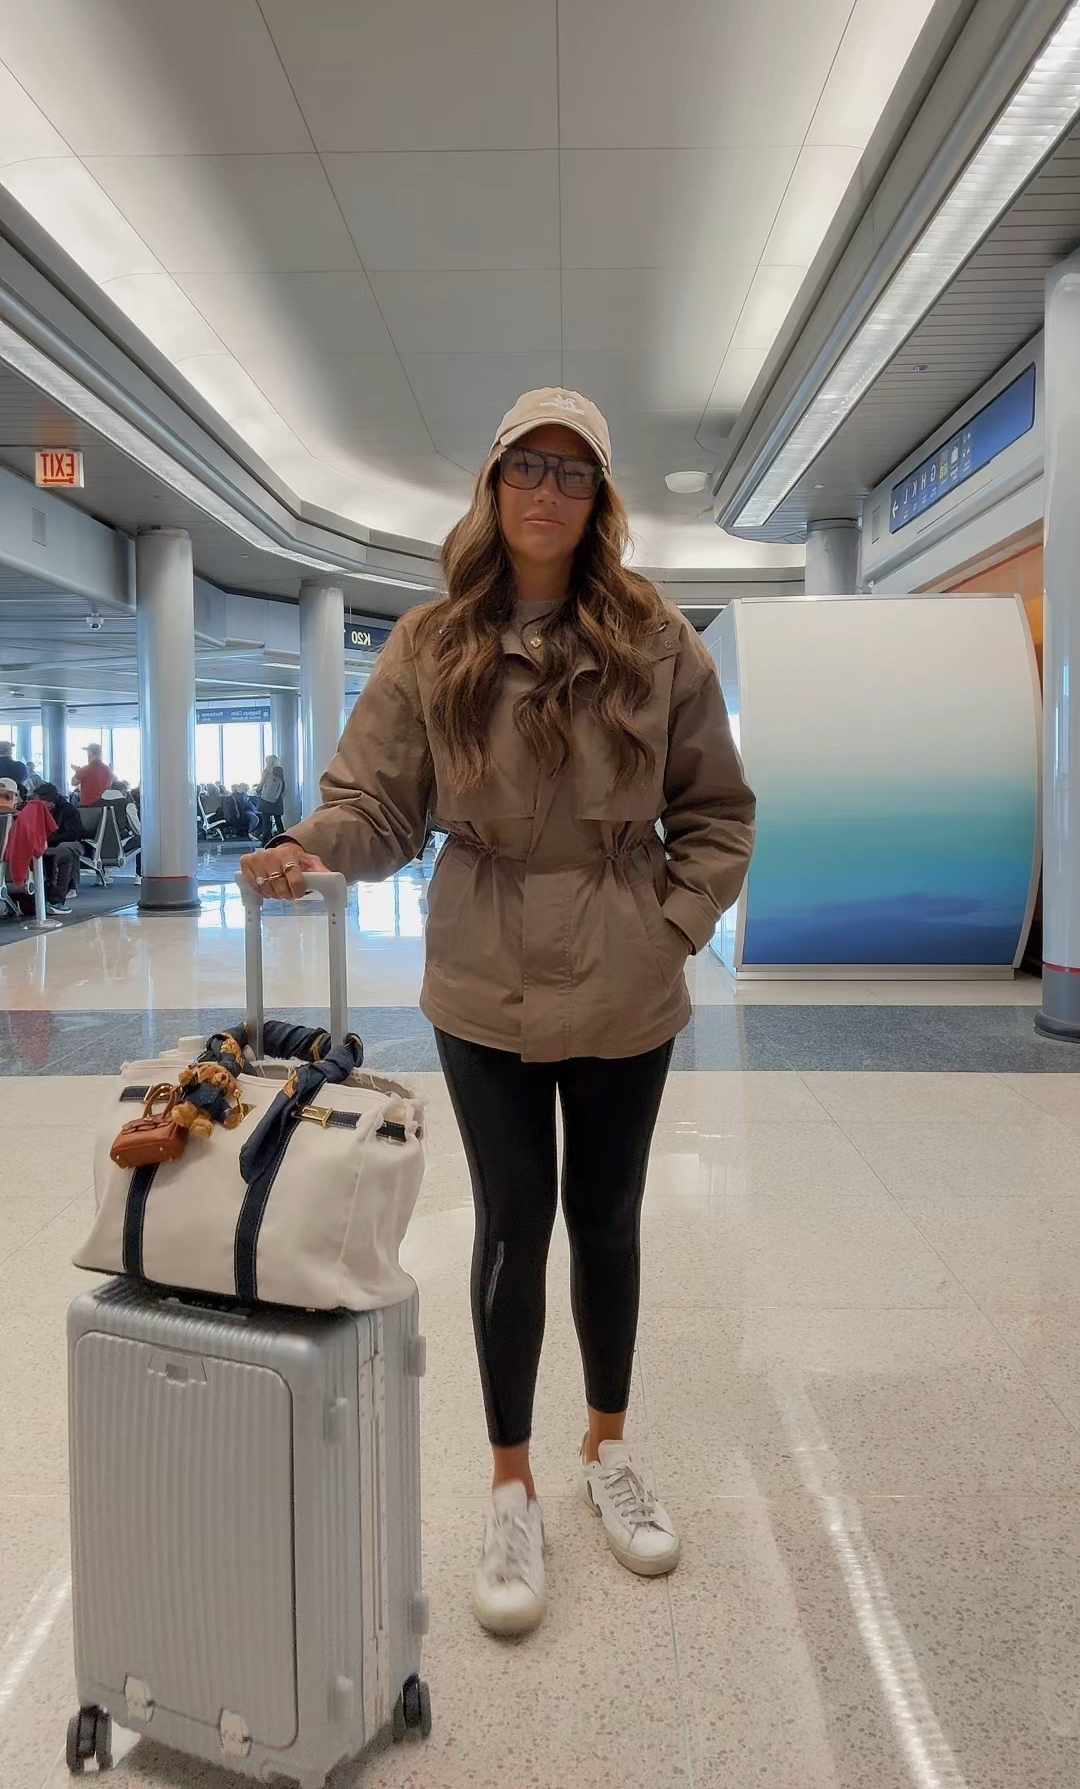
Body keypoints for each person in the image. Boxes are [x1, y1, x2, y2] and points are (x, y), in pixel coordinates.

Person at [241, 388, 756, 1638]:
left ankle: (608, 1451)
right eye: (525, 465)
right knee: (513, 1225)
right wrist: (314, 845)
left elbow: (718, 812)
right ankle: (512, 1481)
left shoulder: (657, 640)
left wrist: (669, 929)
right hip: (483, 971)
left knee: (612, 1215)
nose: (545, 488)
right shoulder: (430, 643)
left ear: (599, 501)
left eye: (572, 472)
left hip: (627, 971)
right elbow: (376, 804)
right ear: (492, 486)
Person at [34, 782, 83, 913]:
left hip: (71, 843)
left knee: (63, 851)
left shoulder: (69, 810)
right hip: (48, 844)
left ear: (49, 800)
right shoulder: (38, 811)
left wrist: (50, 840)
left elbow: (74, 833)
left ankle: (56, 899)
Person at [256, 757, 286, 846]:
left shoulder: (266, 771)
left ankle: (266, 841)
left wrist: (258, 790)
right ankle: (282, 840)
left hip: (266, 799)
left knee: (266, 821)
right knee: (278, 820)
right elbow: (283, 785)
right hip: (277, 799)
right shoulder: (280, 771)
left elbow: (261, 784)